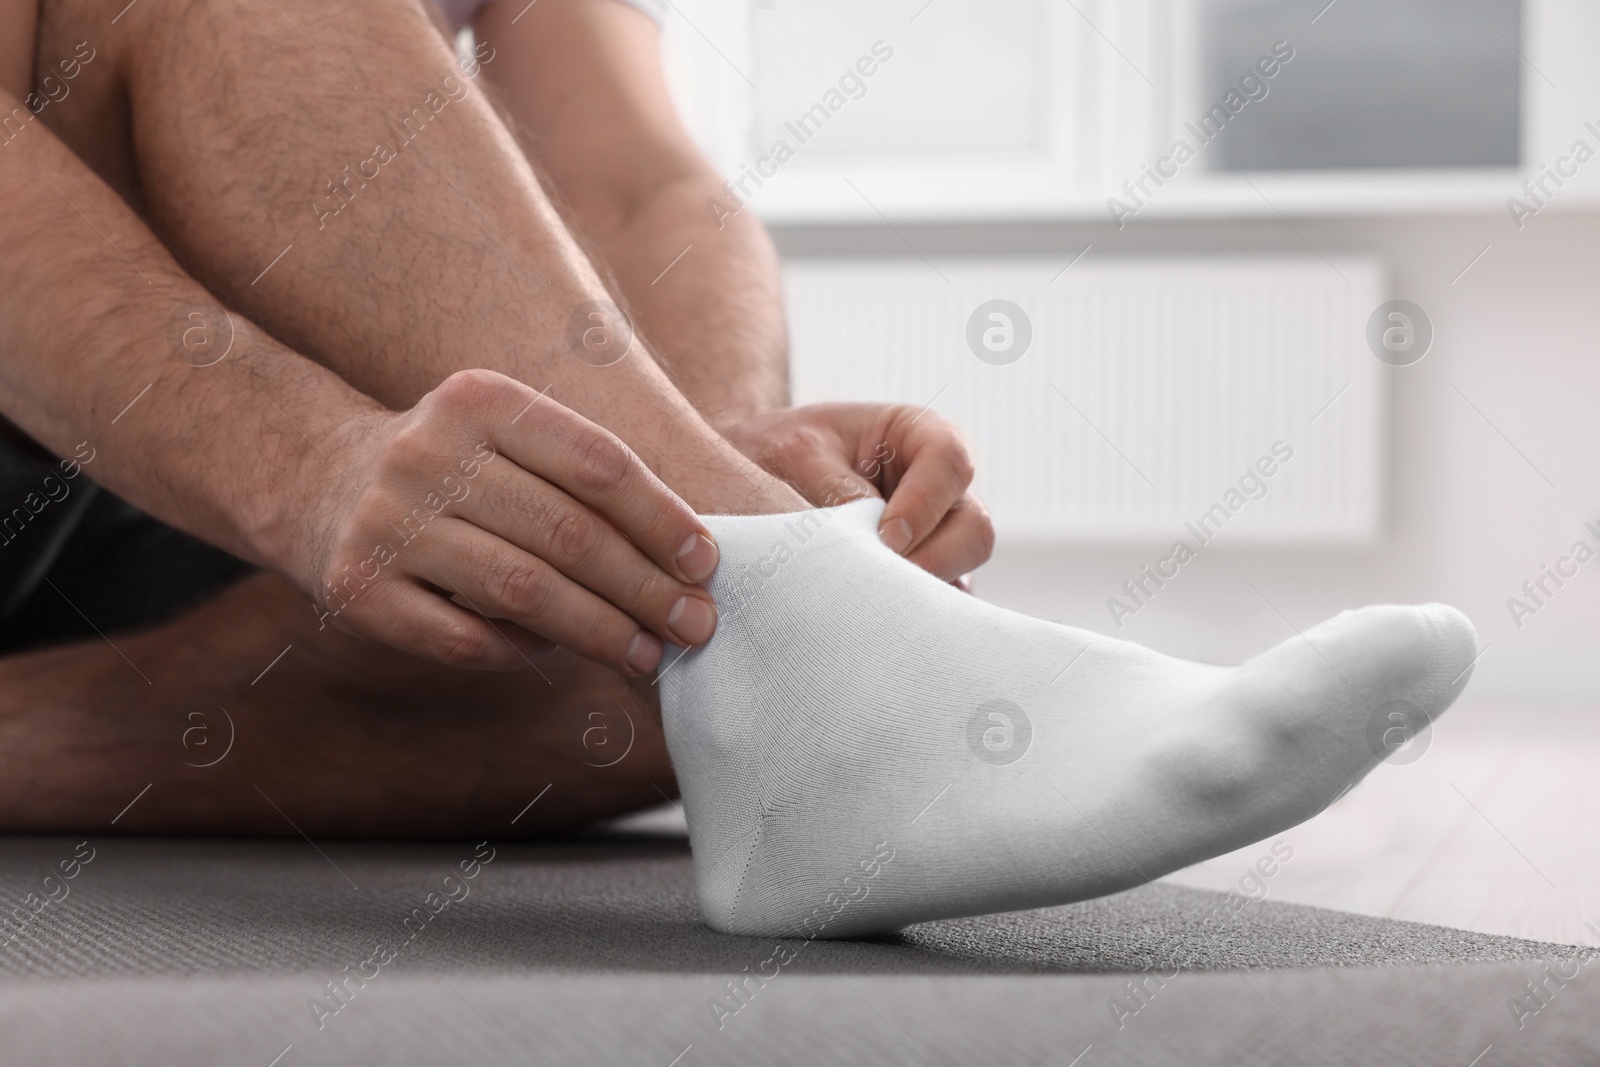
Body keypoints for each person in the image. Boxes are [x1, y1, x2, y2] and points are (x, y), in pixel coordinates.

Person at [0, 0, 1475, 937]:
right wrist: (305, 462)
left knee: (656, 664)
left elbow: (650, 182)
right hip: (116, 390)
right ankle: (812, 637)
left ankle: (788, 634)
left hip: (149, 491)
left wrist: (698, 470)